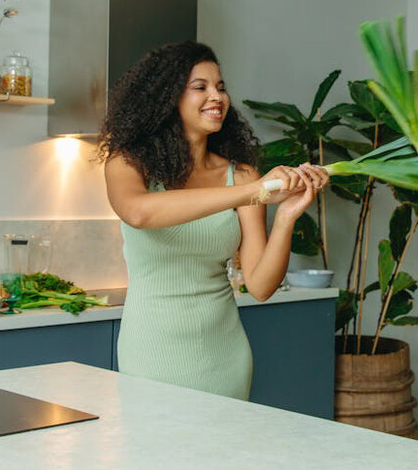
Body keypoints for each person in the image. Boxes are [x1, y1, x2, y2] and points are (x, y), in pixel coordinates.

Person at [98, 41, 328, 400]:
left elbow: (261, 285)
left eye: (220, 87)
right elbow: (139, 213)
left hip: (224, 355)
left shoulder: (243, 174)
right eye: (200, 87)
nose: (216, 96)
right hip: (151, 353)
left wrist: (284, 216)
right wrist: (256, 192)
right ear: (167, 97)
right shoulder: (128, 164)